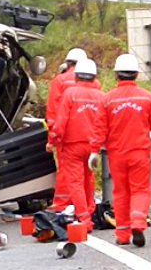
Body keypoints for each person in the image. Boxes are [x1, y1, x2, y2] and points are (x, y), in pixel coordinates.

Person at [88, 53, 151, 247]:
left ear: (116, 76)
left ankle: (122, 235)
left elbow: (100, 129)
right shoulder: (147, 98)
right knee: (140, 189)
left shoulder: (107, 100)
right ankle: (138, 222)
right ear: (136, 75)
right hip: (139, 153)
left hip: (117, 155)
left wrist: (94, 151)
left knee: (121, 193)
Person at [46, 59, 104, 232]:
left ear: (77, 75)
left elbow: (60, 121)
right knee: (89, 180)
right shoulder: (101, 96)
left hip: (72, 146)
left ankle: (85, 219)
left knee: (76, 183)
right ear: (94, 77)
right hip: (93, 146)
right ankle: (90, 211)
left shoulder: (70, 93)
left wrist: (52, 141)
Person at [45, 48, 88, 211]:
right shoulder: (94, 83)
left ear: (68, 63)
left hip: (66, 135)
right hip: (89, 134)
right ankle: (85, 205)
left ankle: (62, 203)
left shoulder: (60, 81)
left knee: (66, 169)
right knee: (86, 173)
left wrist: (52, 136)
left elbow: (53, 111)